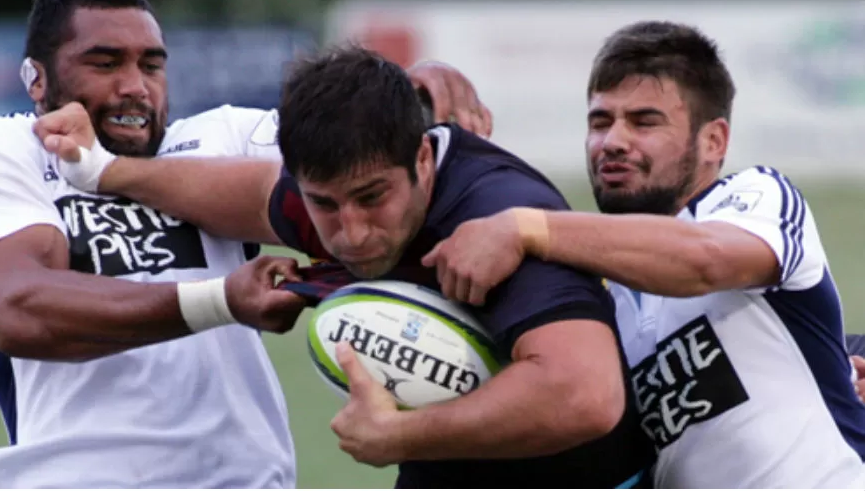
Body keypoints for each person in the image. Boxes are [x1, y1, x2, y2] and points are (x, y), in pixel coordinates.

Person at [0, 0, 490, 489]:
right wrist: (222, 301)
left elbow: (360, 146)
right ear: (37, 79)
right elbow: (20, 309)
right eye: (105, 64)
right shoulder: (10, 148)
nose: (135, 86)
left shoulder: (218, 139)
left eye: (151, 66)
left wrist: (409, 95)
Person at [33, 44, 656, 489]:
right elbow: (249, 195)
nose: (350, 232)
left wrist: (399, 437)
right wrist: (108, 172)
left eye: (371, 199)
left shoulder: (496, 212)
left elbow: (586, 396)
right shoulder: (334, 185)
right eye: (323, 203)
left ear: (423, 161)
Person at [419, 21, 865, 488]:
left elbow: (705, 260)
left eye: (644, 121)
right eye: (600, 121)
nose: (612, 141)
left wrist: (525, 226)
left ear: (714, 141)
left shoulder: (757, 196)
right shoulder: (597, 296)